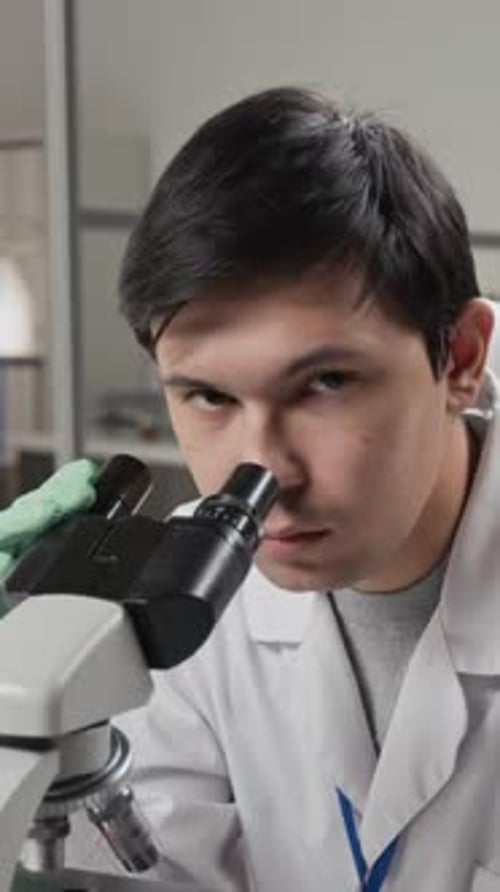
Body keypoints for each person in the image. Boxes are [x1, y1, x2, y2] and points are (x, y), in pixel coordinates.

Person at [2, 86, 500, 891]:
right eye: (209, 397)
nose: (267, 471)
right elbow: (161, 866)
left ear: (463, 359)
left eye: (327, 382)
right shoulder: (195, 589)